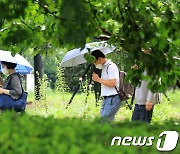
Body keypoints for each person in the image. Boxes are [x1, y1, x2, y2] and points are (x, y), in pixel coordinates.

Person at [91, 50, 121, 122]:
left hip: (113, 98)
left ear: (100, 59)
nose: (94, 64)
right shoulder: (104, 67)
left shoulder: (111, 67)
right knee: (104, 122)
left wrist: (98, 79)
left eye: (95, 62)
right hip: (107, 98)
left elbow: (112, 83)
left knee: (105, 122)